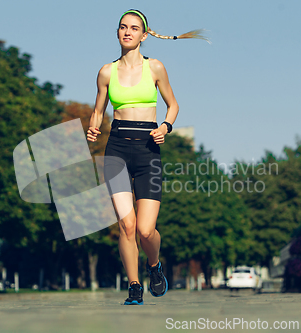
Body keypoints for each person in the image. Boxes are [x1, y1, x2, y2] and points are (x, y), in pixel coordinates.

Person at [87, 9, 207, 305]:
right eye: (123, 27)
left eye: (134, 28)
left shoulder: (155, 68)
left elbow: (174, 105)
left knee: (145, 229)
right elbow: (98, 110)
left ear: (144, 34)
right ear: (117, 33)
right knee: (126, 226)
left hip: (147, 149)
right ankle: (134, 286)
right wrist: (93, 126)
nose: (127, 32)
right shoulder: (106, 72)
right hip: (116, 148)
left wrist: (166, 126)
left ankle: (154, 266)